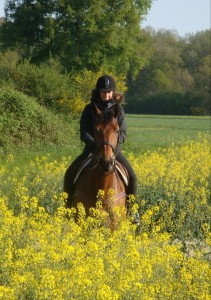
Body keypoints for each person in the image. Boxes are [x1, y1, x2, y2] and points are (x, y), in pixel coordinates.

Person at [64, 74, 137, 204]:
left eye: (109, 92)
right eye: (104, 92)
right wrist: (96, 145)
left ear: (113, 92)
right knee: (69, 173)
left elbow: (123, 133)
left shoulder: (118, 110)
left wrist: (111, 147)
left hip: (114, 151)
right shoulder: (89, 109)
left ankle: (132, 211)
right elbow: (84, 131)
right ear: (99, 92)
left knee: (132, 177)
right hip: (92, 150)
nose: (107, 95)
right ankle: (67, 206)